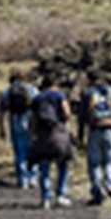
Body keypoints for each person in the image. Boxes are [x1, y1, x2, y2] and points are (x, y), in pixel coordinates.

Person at [79, 70, 111, 205]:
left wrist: (81, 135)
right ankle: (110, 185)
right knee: (109, 161)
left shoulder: (88, 93)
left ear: (89, 79)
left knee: (94, 163)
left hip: (94, 130)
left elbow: (82, 116)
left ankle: (97, 191)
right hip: (110, 130)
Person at [27, 75, 75, 209]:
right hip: (58, 134)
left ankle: (45, 198)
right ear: (55, 84)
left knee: (44, 168)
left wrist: (32, 135)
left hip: (42, 136)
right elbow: (67, 113)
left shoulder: (37, 98)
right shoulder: (60, 96)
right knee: (63, 166)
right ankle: (60, 194)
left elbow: (33, 120)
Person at [0, 72, 38, 190]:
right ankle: (33, 178)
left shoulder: (7, 91)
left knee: (19, 152)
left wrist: (1, 128)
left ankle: (22, 180)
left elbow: (2, 111)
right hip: (30, 121)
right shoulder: (32, 89)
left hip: (15, 121)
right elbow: (38, 106)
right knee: (32, 150)